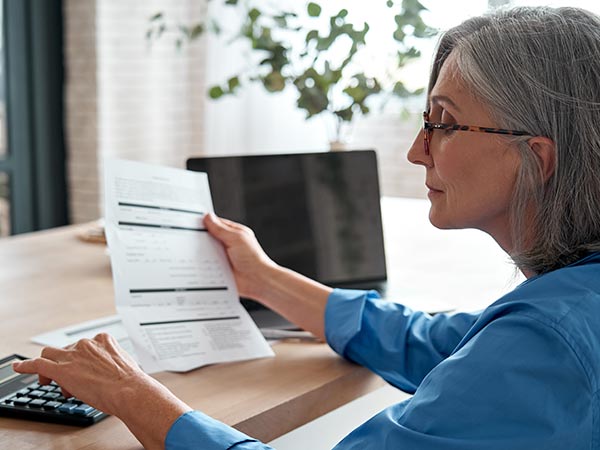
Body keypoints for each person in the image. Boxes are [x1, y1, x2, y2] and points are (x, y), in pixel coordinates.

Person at [13, 5, 600, 449]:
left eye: (444, 123)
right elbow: (438, 342)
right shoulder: (567, 307)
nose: (417, 152)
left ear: (536, 158)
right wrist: (267, 280)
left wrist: (135, 397)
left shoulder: (548, 343)